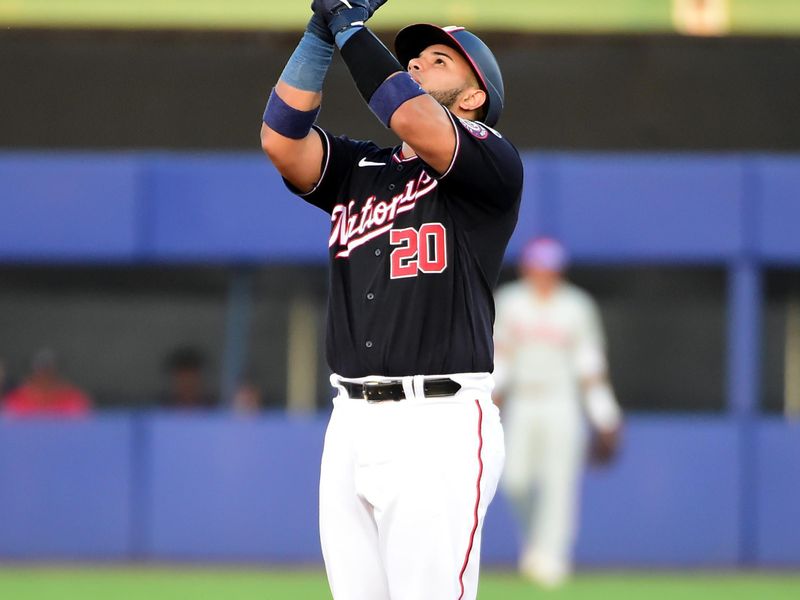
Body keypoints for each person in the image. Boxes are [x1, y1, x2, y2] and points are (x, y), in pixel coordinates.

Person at [260, 1, 523, 598]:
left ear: (475, 96)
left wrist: (351, 26)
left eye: (438, 60)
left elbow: (411, 116)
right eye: (414, 59)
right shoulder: (365, 167)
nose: (418, 66)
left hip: (439, 421)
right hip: (350, 420)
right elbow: (281, 139)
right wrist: (320, 31)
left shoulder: (490, 160)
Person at [493, 237, 623, 588]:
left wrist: (605, 416)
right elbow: (500, 358)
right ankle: (535, 542)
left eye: (550, 268)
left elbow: (589, 363)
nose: (544, 274)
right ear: (527, 267)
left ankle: (553, 554)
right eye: (538, 266)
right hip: (523, 398)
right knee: (515, 480)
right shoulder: (510, 302)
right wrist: (488, 401)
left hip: (562, 400)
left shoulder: (576, 306)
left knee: (559, 483)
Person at [2, 348, 92, 417]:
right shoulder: (15, 399)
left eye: (49, 373)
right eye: (40, 373)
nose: (45, 379)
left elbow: (84, 425)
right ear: (30, 376)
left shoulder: (74, 398)